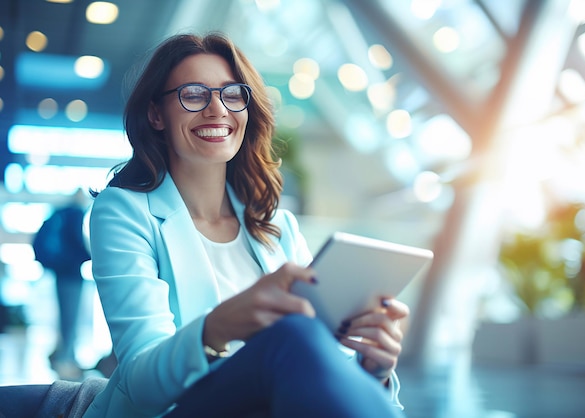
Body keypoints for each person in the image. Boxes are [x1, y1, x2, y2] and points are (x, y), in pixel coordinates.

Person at [83, 32, 409, 418]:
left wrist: (375, 370)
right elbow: (140, 384)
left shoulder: (276, 226)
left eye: (232, 94)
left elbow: (322, 367)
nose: (218, 109)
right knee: (292, 334)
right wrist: (218, 328)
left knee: (300, 338)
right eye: (193, 94)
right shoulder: (123, 211)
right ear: (156, 114)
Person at [37, 189, 91, 381]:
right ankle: (66, 360)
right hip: (72, 274)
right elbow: (78, 242)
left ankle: (66, 356)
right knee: (71, 318)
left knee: (65, 317)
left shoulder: (60, 213)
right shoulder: (75, 213)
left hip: (60, 272)